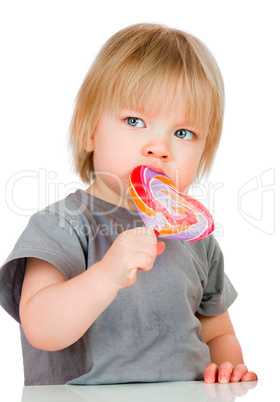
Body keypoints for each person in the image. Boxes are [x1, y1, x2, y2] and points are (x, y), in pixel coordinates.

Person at [0, 23, 257, 386]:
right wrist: (106, 275)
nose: (159, 147)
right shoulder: (62, 223)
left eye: (183, 133)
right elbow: (40, 326)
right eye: (135, 121)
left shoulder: (197, 240)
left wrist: (228, 367)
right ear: (90, 130)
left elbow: (218, 334)